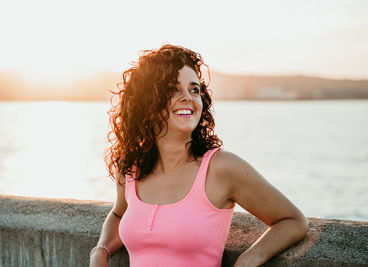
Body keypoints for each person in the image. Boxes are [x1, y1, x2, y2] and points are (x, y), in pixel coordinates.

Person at [89, 44, 308, 267]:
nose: (188, 97)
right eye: (173, 89)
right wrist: (100, 250)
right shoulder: (131, 169)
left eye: (194, 89)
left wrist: (251, 257)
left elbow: (292, 220)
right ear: (147, 101)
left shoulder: (222, 168)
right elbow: (119, 214)